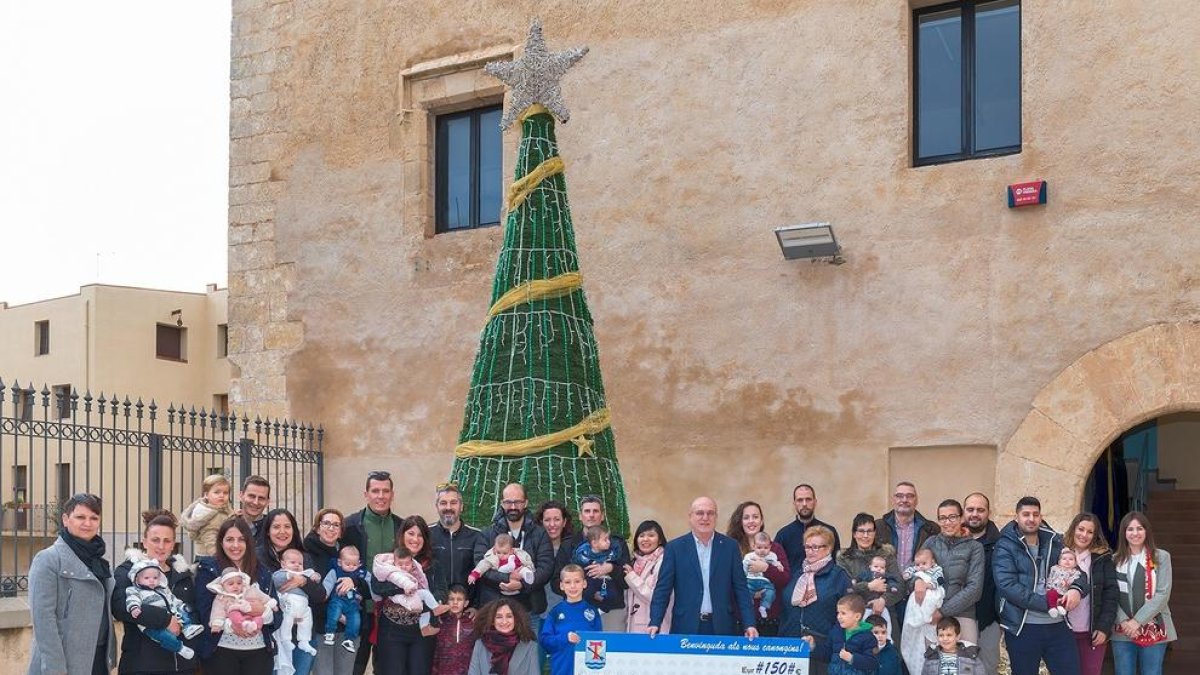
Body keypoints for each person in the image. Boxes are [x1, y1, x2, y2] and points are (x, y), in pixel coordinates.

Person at [994, 496, 1086, 675]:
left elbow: (1079, 573)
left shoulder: (1055, 541)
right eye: (1026, 514)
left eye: (1035, 514)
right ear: (1016, 517)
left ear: (1041, 516)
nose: (1031, 519)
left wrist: (1076, 590)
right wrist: (1048, 603)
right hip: (1023, 626)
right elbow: (1007, 585)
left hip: (1058, 625)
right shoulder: (1005, 545)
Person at [28, 493, 116, 675]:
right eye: (80, 517)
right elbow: (43, 622)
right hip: (64, 663)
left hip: (98, 659)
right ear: (66, 519)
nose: (88, 523)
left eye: (94, 518)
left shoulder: (100, 562)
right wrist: (55, 669)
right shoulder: (48, 559)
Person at [648, 496, 758, 639]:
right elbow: (663, 589)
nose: (705, 518)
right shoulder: (675, 548)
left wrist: (749, 623)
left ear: (716, 517)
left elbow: (741, 589)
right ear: (690, 517)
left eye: (710, 513)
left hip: (722, 627)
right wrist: (655, 621)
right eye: (700, 513)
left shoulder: (730, 547)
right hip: (685, 627)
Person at [112, 509, 199, 675]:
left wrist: (185, 625)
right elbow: (120, 606)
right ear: (144, 542)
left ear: (173, 544)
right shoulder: (127, 571)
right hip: (142, 665)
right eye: (155, 540)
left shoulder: (183, 574)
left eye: (167, 541)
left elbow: (193, 608)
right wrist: (166, 620)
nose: (161, 546)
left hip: (181, 666)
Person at [195, 517, 282, 675]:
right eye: (229, 539)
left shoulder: (262, 571)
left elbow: (277, 616)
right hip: (220, 652)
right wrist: (231, 625)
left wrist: (263, 612)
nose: (235, 545)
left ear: (249, 542)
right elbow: (204, 611)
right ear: (221, 543)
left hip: (259, 654)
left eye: (241, 539)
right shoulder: (208, 570)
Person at [343, 471, 403, 675]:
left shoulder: (402, 527)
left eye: (385, 491)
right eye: (375, 491)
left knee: (387, 668)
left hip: (391, 612)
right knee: (354, 666)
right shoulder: (350, 525)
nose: (381, 496)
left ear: (392, 494)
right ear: (366, 494)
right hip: (358, 609)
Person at [372, 517, 448, 675]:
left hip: (422, 631)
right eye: (411, 533)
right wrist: (406, 588)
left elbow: (441, 591)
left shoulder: (433, 564)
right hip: (392, 631)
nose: (415, 539)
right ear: (402, 535)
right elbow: (378, 587)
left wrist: (427, 604)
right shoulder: (387, 561)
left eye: (420, 535)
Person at [258, 509, 326, 675]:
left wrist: (303, 581)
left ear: (294, 530)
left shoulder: (304, 558)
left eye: (287, 526)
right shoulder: (258, 557)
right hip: (271, 636)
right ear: (267, 531)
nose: (282, 532)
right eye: (276, 527)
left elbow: (320, 595)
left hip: (302, 634)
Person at [474, 484, 554, 621]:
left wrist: (522, 584)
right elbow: (480, 566)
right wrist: (507, 579)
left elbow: (546, 568)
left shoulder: (540, 534)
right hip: (495, 610)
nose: (512, 507)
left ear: (526, 503)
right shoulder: (487, 534)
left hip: (530, 610)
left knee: (529, 643)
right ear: (502, 503)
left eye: (517, 502)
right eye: (508, 502)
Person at [779, 525, 851, 675]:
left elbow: (847, 617)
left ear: (829, 548)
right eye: (807, 547)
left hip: (823, 652)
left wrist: (830, 645)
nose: (810, 551)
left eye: (816, 547)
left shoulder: (839, 576)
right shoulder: (798, 574)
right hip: (792, 649)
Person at [1111, 512, 1175, 675]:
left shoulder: (1161, 557)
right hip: (1122, 629)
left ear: (1147, 531)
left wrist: (1137, 621)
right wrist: (1125, 622)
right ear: (1123, 533)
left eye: (1139, 528)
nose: (1135, 533)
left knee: (1152, 672)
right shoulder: (1114, 560)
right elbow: (1110, 594)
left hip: (1155, 626)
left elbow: (1162, 594)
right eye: (1130, 529)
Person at [551, 495, 628, 631]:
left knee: (611, 650)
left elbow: (627, 579)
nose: (591, 515)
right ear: (580, 516)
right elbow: (556, 581)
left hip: (611, 612)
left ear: (602, 516)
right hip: (577, 609)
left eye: (595, 511)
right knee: (577, 651)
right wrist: (578, 586)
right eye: (587, 511)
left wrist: (611, 568)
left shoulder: (617, 544)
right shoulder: (569, 545)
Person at [921, 500, 985, 643]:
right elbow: (916, 569)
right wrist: (918, 581)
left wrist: (943, 611)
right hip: (931, 614)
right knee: (933, 663)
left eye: (952, 517)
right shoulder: (931, 543)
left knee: (966, 662)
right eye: (942, 518)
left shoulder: (974, 547)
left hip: (963, 614)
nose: (947, 522)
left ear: (961, 518)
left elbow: (974, 589)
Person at [303, 508, 357, 675]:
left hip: (347, 628)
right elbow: (313, 593)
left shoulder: (348, 555)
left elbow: (364, 582)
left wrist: (354, 581)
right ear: (318, 528)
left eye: (336, 525)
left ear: (341, 531)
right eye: (326, 523)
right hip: (321, 626)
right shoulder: (307, 555)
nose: (331, 528)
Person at [1064, 512, 1118, 675]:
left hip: (1092, 633)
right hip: (1062, 631)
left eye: (1090, 532)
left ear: (1095, 535)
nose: (1084, 535)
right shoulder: (1059, 554)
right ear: (1073, 529)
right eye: (1081, 529)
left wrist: (1103, 628)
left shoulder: (1103, 558)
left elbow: (1112, 595)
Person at [727, 500, 791, 634]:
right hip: (740, 620)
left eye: (755, 517)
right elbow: (725, 584)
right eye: (746, 517)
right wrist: (749, 592)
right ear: (740, 522)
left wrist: (766, 568)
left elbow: (785, 579)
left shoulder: (775, 549)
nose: (751, 521)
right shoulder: (731, 548)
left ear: (761, 521)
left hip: (770, 619)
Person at [836, 513, 903, 636]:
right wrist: (868, 586)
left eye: (869, 531)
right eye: (861, 531)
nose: (865, 536)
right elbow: (844, 588)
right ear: (854, 533)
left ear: (875, 533)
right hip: (855, 618)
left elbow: (899, 585)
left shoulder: (886, 554)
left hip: (885, 614)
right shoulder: (844, 558)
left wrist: (883, 600)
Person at [124, 559, 205, 660]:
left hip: (173, 613)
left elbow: (173, 599)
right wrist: (134, 607)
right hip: (151, 625)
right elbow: (132, 599)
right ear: (136, 579)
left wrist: (180, 606)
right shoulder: (134, 590)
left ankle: (188, 627)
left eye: (155, 577)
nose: (151, 580)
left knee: (184, 611)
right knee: (165, 637)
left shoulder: (163, 590)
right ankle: (179, 648)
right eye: (146, 578)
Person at [963, 492, 1002, 675]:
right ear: (964, 512)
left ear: (989, 513)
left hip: (989, 619)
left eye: (980, 510)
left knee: (988, 667)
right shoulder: (952, 540)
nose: (975, 514)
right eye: (970, 509)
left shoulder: (1001, 544)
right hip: (958, 617)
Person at [539, 565, 602, 675]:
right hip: (561, 669)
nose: (573, 586)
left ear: (584, 584)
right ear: (561, 585)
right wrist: (565, 638)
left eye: (577, 581)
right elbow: (545, 641)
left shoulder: (592, 612)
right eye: (568, 582)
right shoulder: (555, 612)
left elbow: (598, 641)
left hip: (585, 670)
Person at [799, 594, 879, 675]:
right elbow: (827, 654)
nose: (839, 617)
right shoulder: (835, 632)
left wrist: (852, 658)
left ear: (857, 616)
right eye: (838, 613)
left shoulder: (868, 638)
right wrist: (813, 647)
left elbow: (873, 663)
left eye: (843, 613)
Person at [430, 483, 485, 599]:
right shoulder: (426, 534)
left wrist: (475, 606)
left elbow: (483, 575)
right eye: (443, 503)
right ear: (437, 506)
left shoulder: (477, 536)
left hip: (466, 608)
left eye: (453, 503)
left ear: (461, 506)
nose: (448, 507)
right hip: (435, 607)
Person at [900, 548, 946, 675]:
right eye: (918, 564)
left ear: (933, 562)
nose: (920, 567)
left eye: (924, 564)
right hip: (917, 597)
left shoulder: (936, 569)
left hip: (932, 591)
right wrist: (907, 575)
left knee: (932, 598)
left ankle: (924, 617)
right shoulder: (917, 569)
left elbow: (940, 581)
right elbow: (909, 572)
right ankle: (916, 619)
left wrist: (929, 585)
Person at [775, 485, 842, 569]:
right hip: (793, 582)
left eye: (808, 499)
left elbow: (836, 564)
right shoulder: (783, 535)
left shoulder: (829, 532)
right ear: (794, 504)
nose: (804, 504)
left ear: (815, 502)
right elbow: (777, 569)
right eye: (800, 500)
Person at [466, 599, 539, 675]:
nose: (504, 621)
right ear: (492, 621)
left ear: (516, 619)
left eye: (509, 616)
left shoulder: (530, 646)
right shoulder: (480, 644)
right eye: (499, 617)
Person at [623, 519, 669, 634]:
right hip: (634, 625)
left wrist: (632, 577)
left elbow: (657, 596)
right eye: (641, 535)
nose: (645, 539)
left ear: (660, 540)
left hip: (653, 626)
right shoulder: (634, 562)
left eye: (651, 535)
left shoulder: (664, 561)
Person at [273, 549, 321, 658]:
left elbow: (314, 576)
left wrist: (315, 576)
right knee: (287, 619)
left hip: (303, 606)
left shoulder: (303, 573)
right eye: (293, 562)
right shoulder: (282, 573)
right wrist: (290, 576)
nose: (297, 565)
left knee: (307, 621)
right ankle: (285, 639)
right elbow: (275, 579)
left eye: (300, 563)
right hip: (290, 602)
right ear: (283, 564)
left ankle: (304, 640)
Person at [323, 546, 371, 652]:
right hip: (338, 599)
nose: (351, 567)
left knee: (355, 620)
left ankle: (349, 639)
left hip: (353, 603)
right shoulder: (335, 572)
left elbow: (372, 585)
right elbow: (327, 584)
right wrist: (324, 595)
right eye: (347, 564)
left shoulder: (362, 573)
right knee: (334, 613)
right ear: (340, 562)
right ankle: (330, 632)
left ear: (359, 563)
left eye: (354, 564)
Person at [206, 568, 277, 634]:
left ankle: (253, 626)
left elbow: (262, 596)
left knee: (259, 618)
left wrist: (271, 604)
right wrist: (217, 624)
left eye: (239, 583)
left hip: (252, 615)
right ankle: (243, 624)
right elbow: (217, 611)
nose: (235, 586)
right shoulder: (222, 597)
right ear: (223, 585)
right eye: (231, 584)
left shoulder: (249, 591)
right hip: (235, 619)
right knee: (233, 613)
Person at [537, 500, 575, 622]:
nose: (552, 524)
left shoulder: (574, 549)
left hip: (569, 613)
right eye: (547, 520)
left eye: (557, 519)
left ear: (564, 522)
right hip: (539, 615)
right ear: (541, 522)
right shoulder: (533, 549)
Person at [182, 474, 236, 558]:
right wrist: (216, 554)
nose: (221, 495)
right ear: (206, 495)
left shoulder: (220, 509)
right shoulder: (207, 514)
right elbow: (209, 535)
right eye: (216, 492)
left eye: (225, 493)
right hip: (209, 556)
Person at [431, 585, 476, 675]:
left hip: (466, 671)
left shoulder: (472, 623)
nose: (455, 602)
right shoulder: (440, 621)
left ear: (466, 603)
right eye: (451, 599)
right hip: (442, 670)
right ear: (447, 601)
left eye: (459, 599)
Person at [570, 525, 619, 604]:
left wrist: (610, 567)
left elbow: (616, 562)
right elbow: (576, 566)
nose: (609, 542)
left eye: (608, 539)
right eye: (605, 540)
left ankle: (604, 605)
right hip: (590, 579)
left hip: (605, 579)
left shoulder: (610, 552)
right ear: (595, 543)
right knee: (587, 590)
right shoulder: (583, 553)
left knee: (613, 593)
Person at [469, 534, 535, 593]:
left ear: (511, 551)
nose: (501, 555)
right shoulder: (493, 558)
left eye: (505, 553)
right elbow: (483, 565)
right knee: (502, 572)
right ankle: (509, 570)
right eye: (498, 552)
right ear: (494, 549)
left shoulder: (518, 554)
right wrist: (474, 574)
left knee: (524, 569)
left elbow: (527, 561)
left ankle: (528, 576)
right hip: (503, 574)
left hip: (519, 573)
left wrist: (530, 568)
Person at [921, 617, 985, 675]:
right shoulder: (931, 656)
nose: (945, 638)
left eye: (949, 635)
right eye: (941, 635)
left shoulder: (970, 655)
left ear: (957, 637)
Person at [743, 532, 785, 619]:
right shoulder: (749, 556)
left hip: (766, 582)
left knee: (771, 592)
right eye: (759, 547)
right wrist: (745, 575)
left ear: (770, 547)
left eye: (765, 547)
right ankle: (749, 604)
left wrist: (779, 566)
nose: (762, 550)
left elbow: (777, 564)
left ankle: (763, 607)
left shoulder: (772, 555)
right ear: (753, 546)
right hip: (751, 580)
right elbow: (743, 567)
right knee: (746, 591)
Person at [1046, 550, 1086, 618]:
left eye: (1071, 559)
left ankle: (1060, 606)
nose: (1067, 561)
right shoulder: (1055, 568)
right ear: (1059, 561)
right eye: (1064, 559)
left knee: (1067, 599)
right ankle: (1053, 608)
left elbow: (1074, 580)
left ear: (1075, 563)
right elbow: (1050, 577)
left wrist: (1068, 583)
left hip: (1065, 591)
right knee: (1051, 594)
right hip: (1054, 588)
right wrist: (1048, 586)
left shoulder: (1074, 572)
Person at [236, 476, 272, 545]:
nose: (256, 502)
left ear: (268, 501)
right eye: (251, 496)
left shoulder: (272, 526)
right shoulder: (228, 524)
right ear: (241, 496)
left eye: (261, 498)